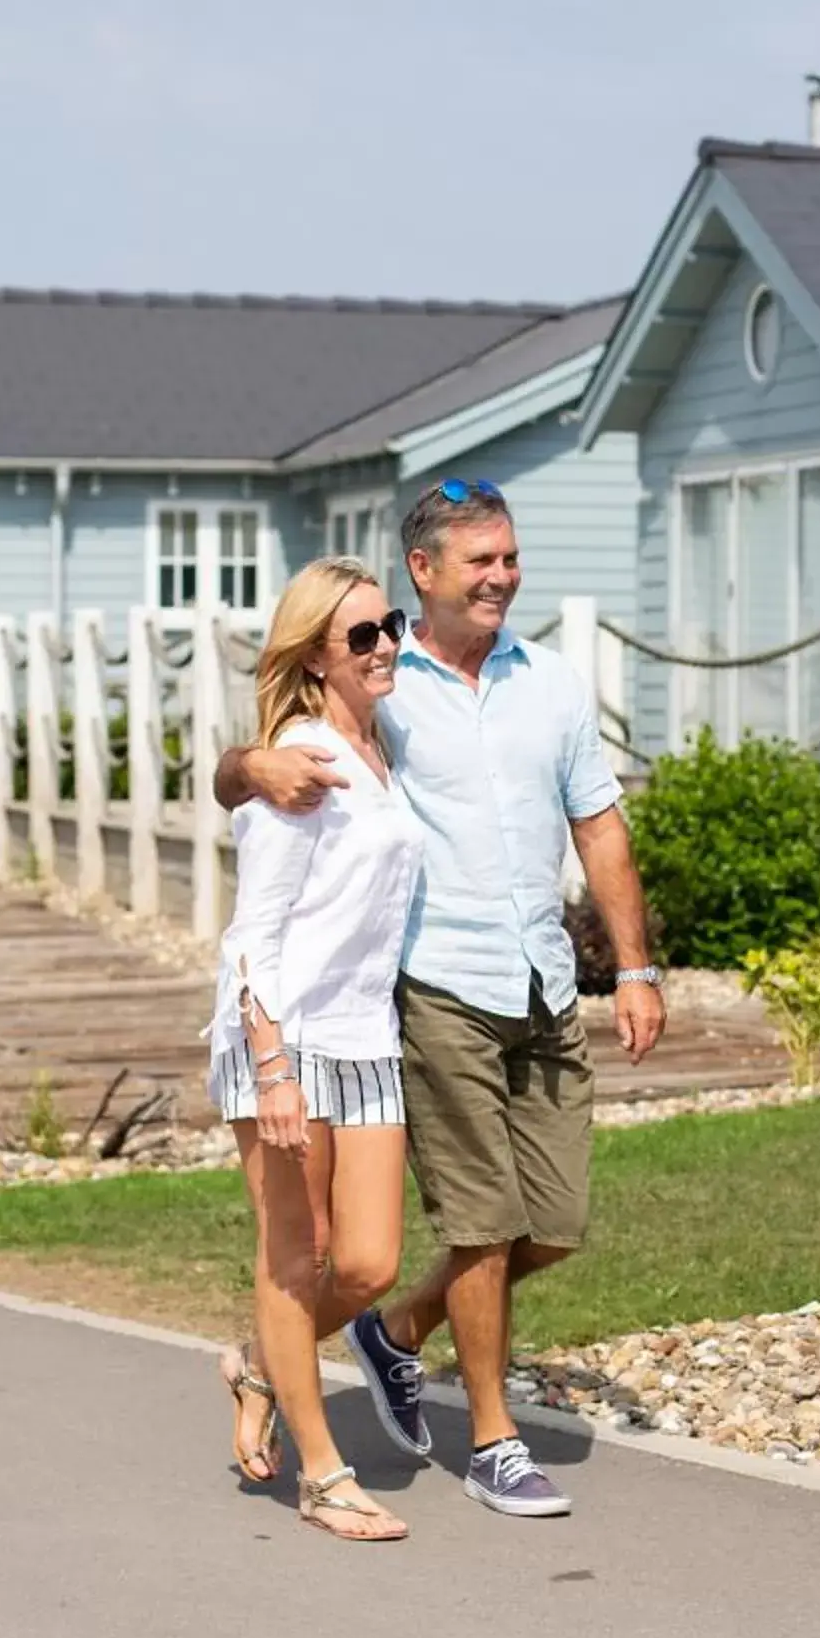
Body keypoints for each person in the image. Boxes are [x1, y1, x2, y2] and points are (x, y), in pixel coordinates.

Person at [217, 478, 665, 1519]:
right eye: (482, 560)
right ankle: (494, 1437)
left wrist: (634, 967)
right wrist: (250, 763)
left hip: (540, 976)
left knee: (552, 1221)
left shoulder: (549, 682)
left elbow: (598, 824)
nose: (504, 576)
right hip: (431, 986)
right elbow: (254, 772)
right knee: (482, 1220)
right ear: (427, 570)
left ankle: (390, 1330)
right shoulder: (383, 673)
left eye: (510, 556)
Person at [208, 556, 425, 1541]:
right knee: (298, 1259)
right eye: (364, 637)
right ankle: (323, 1476)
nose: (387, 646)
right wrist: (271, 1063)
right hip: (286, 1035)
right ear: (316, 656)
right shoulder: (301, 756)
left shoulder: (379, 744)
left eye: (392, 625)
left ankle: (258, 1361)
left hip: (365, 1034)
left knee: (370, 1262)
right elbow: (254, 929)